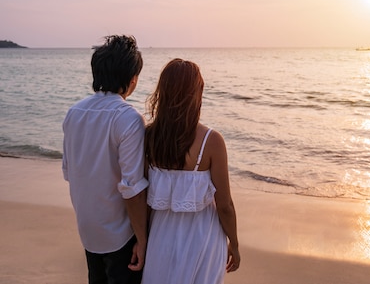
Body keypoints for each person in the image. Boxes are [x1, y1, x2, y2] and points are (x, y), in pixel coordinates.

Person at [141, 58, 241, 284]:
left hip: (160, 237)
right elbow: (225, 205)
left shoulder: (149, 137)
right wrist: (234, 244)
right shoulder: (211, 141)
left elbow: (144, 196)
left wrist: (142, 238)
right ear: (197, 93)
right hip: (202, 238)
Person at [62, 35, 148, 284]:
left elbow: (70, 172)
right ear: (132, 80)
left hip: (88, 230)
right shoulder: (128, 118)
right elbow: (133, 189)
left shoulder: (74, 112)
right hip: (120, 234)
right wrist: (143, 241)